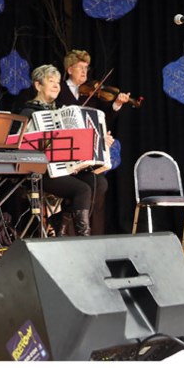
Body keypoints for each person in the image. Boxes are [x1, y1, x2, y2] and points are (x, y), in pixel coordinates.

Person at [19, 65, 105, 236]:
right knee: (82, 189)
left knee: (99, 182)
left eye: (58, 82)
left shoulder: (63, 112)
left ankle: (60, 219)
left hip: (67, 169)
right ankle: (83, 237)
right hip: (42, 172)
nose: (57, 86)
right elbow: (22, 146)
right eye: (51, 81)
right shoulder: (27, 112)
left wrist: (101, 141)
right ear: (38, 85)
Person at [54, 50, 128, 234]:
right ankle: (72, 229)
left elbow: (101, 122)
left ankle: (73, 223)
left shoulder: (93, 94)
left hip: (85, 154)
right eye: (80, 68)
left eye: (86, 68)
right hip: (63, 154)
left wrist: (117, 105)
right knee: (84, 187)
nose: (84, 72)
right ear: (70, 69)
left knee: (100, 183)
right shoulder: (59, 89)